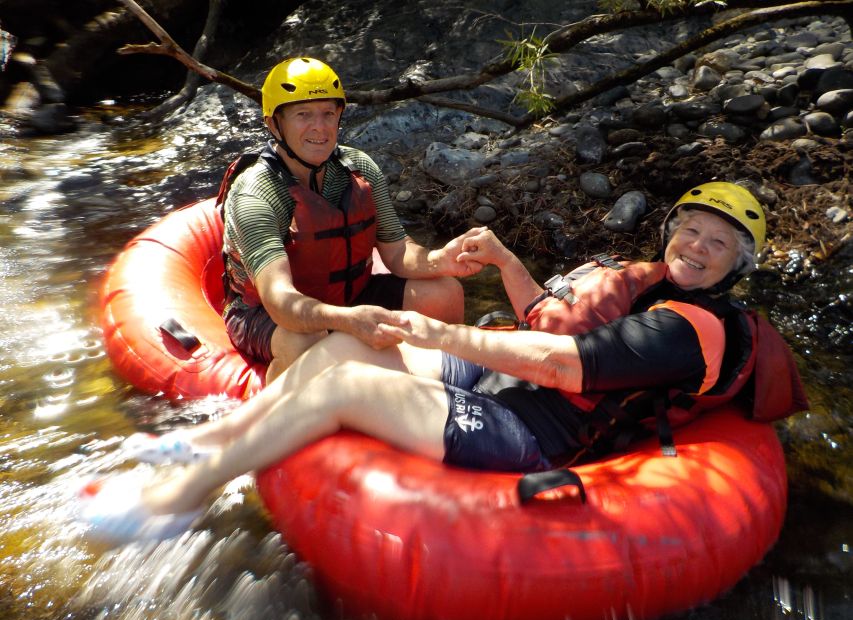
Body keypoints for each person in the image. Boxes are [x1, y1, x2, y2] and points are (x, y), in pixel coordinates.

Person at [80, 182, 806, 544]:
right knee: (344, 343)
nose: (696, 244)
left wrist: (439, 336)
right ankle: (201, 445)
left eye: (717, 243)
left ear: (736, 266)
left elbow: (559, 362)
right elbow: (547, 320)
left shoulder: (693, 329)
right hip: (507, 385)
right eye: (690, 227)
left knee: (350, 381)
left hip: (537, 433)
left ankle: (174, 504)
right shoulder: (645, 280)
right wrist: (505, 263)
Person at [219, 57, 475, 382]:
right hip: (262, 313)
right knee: (306, 339)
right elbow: (281, 301)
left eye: (329, 113)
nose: (320, 127)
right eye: (303, 115)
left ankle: (454, 386)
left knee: (445, 293)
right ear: (274, 124)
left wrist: (442, 259)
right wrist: (348, 321)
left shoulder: (359, 168)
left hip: (349, 294)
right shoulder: (257, 193)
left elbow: (397, 254)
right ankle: (277, 413)